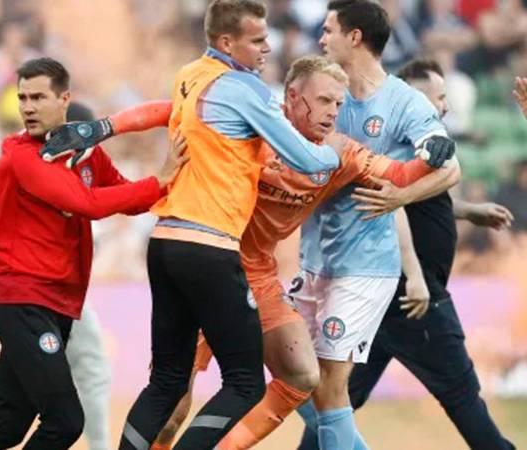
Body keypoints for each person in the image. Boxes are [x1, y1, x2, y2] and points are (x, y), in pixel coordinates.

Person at [44, 55, 456, 450]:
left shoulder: (342, 152)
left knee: (303, 373)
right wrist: (104, 127)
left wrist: (429, 155)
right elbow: (173, 109)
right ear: (292, 97)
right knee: (173, 408)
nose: (333, 111)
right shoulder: (252, 121)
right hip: (207, 261)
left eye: (339, 103)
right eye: (324, 100)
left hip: (255, 273)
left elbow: (399, 174)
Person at [118, 1, 348, 448]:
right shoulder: (247, 89)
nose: (268, 47)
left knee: (166, 382)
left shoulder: (189, 75)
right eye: (258, 40)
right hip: (210, 246)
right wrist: (337, 153)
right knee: (243, 384)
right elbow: (308, 159)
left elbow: (185, 125)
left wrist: (110, 126)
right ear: (227, 42)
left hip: (164, 241)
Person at [0, 57, 187, 450]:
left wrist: (168, 179)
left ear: (65, 99)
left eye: (38, 97)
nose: (28, 107)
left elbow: (126, 198)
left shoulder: (85, 156)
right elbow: (87, 203)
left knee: (6, 424)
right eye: (22, 98)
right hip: (23, 301)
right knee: (66, 421)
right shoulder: (21, 155)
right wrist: (158, 181)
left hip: (59, 304)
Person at [296, 58, 516, 450]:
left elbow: (418, 198)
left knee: (333, 399)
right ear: (414, 100)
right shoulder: (398, 141)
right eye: (438, 97)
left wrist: (465, 210)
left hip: (381, 294)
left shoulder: (413, 145)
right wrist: (414, 276)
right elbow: (393, 204)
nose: (444, 106)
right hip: (414, 299)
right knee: (463, 396)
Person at [291, 2, 461, 449]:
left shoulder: (403, 101)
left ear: (355, 37)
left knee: (330, 384)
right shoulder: (325, 91)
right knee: (292, 374)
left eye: (329, 30)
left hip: (366, 266)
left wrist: (401, 196)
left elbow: (448, 165)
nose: (321, 38)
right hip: (315, 257)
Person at [0, 101, 116, 450]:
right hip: (40, 296)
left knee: (8, 421)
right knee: (78, 395)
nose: (91, 151)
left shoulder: (61, 167)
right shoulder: (40, 170)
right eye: (87, 140)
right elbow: (93, 207)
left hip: (52, 298)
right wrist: (157, 185)